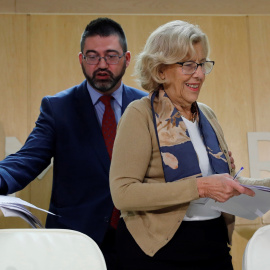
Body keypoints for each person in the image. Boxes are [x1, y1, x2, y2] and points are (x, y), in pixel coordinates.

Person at [109, 20, 270, 270]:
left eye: (202, 64)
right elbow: (123, 193)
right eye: (188, 65)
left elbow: (223, 182)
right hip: (158, 250)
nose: (199, 74)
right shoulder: (139, 114)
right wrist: (200, 187)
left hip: (212, 244)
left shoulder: (207, 115)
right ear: (161, 70)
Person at [0, 17, 147, 270]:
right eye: (92, 56)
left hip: (141, 241)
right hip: (75, 244)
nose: (102, 64)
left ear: (127, 58)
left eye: (111, 56)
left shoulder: (147, 106)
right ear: (81, 59)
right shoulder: (58, 108)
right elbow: (27, 159)